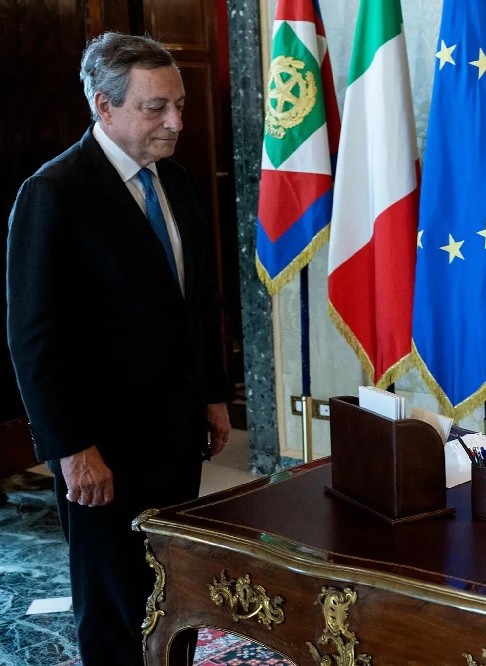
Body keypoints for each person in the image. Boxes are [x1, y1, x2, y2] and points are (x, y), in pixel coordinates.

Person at [6, 32, 231, 664]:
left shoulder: (176, 182)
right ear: (104, 106)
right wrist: (72, 449)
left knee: (174, 588)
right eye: (156, 107)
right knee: (113, 600)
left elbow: (195, 305)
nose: (177, 122)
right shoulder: (53, 192)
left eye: (179, 105)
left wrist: (213, 395)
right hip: (100, 445)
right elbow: (34, 337)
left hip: (176, 433)